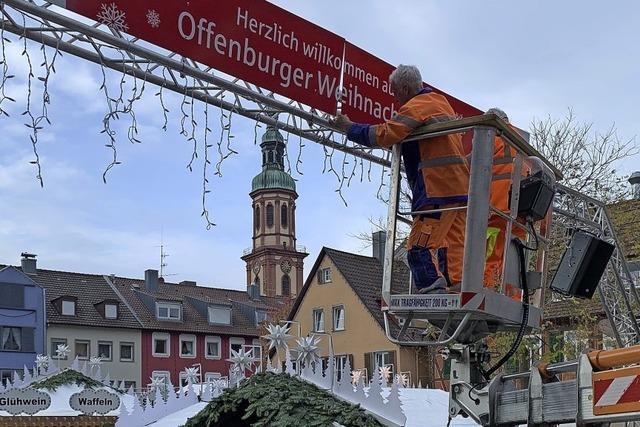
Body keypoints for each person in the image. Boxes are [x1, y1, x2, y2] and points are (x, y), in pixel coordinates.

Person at [333, 65, 469, 294]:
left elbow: (384, 134)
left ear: (405, 88)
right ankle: (457, 287)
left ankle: (431, 289)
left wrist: (348, 127)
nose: (394, 99)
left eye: (395, 92)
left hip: (436, 187)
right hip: (458, 188)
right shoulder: (440, 102)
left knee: (419, 246)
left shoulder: (417, 106)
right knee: (450, 244)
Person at [483, 108, 526, 299]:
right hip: (521, 214)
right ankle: (512, 296)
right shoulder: (522, 145)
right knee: (512, 259)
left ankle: (486, 290)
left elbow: (472, 166)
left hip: (497, 209)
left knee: (489, 256)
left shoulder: (492, 137)